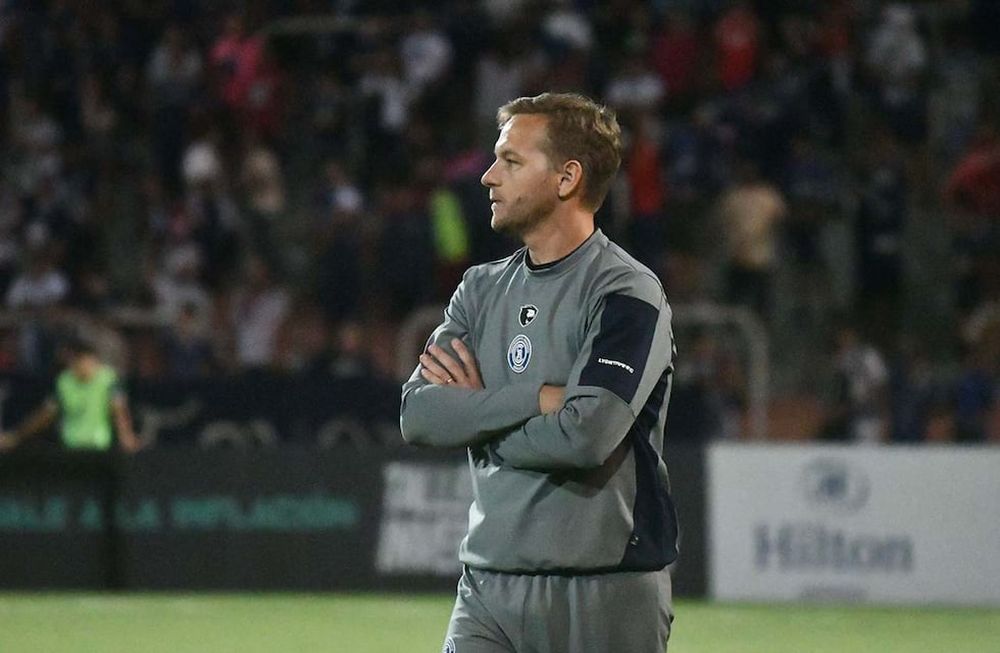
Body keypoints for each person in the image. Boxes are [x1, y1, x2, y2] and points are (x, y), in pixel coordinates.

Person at [400, 93, 678, 653]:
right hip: (487, 587)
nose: (487, 176)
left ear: (567, 178)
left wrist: (477, 416)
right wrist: (537, 398)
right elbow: (420, 416)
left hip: (604, 590)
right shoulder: (478, 289)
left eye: (511, 161)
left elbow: (585, 435)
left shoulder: (625, 292)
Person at [0, 335, 142, 453]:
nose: (74, 365)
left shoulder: (109, 380)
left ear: (91, 359)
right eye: (71, 361)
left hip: (99, 449)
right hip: (70, 450)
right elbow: (45, 414)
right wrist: (18, 436)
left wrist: (126, 436)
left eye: (78, 360)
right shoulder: (64, 382)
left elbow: (118, 410)